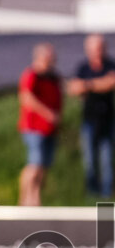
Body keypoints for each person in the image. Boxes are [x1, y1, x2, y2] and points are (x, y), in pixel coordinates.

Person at [67, 34, 115, 199]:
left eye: (100, 48)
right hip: (89, 121)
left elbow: (110, 83)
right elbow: (73, 89)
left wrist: (88, 85)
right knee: (89, 160)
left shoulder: (110, 65)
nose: (98, 52)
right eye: (94, 49)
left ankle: (106, 196)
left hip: (108, 120)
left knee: (106, 160)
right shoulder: (83, 68)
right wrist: (98, 84)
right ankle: (92, 196)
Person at [18, 43, 62, 206]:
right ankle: (24, 200)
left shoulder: (53, 77)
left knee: (42, 167)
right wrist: (47, 113)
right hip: (34, 128)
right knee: (34, 164)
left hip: (50, 129)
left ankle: (35, 199)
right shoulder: (32, 75)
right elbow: (26, 98)